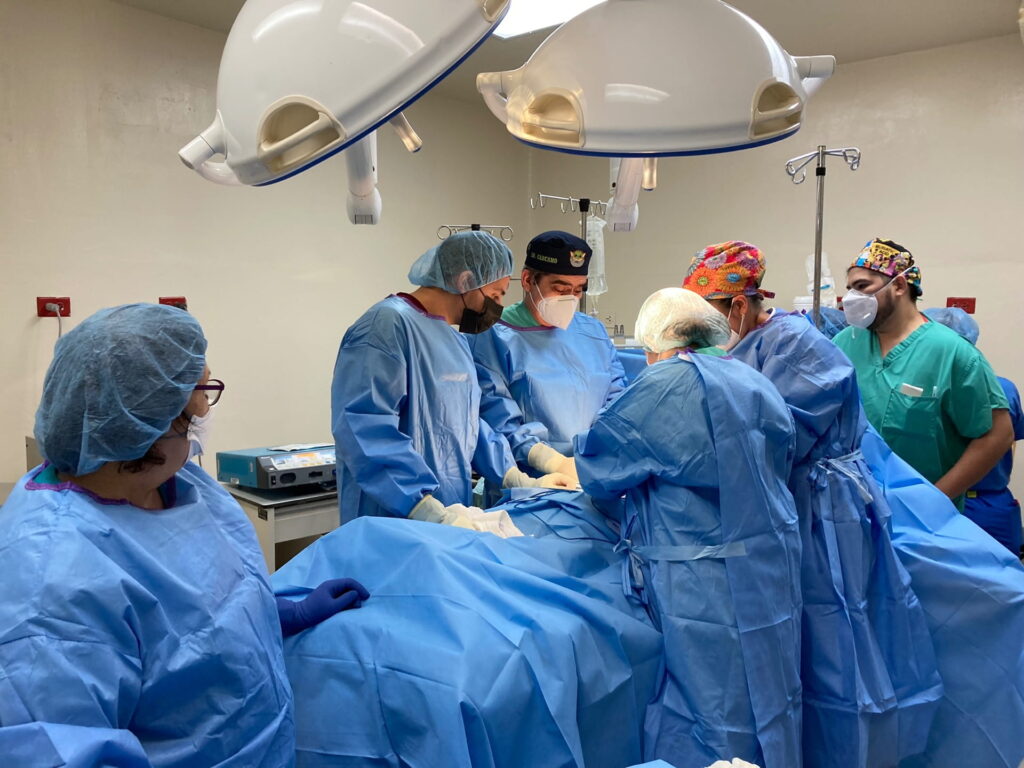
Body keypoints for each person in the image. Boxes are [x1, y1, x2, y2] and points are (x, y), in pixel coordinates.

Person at [0, 303, 328, 766]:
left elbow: (196, 617)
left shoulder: (184, 486)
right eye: (201, 392)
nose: (203, 409)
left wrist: (277, 613)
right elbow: (56, 749)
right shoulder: (51, 588)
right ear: (144, 420)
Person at [684, 242, 941, 767]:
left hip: (824, 514)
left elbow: (772, 435)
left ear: (742, 303)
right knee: (794, 646)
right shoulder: (738, 347)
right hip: (781, 506)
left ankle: (849, 753)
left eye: (708, 313)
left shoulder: (797, 346)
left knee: (835, 643)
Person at [574, 287, 803, 768]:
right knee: (767, 694)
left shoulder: (665, 383)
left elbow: (601, 466)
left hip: (702, 582)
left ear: (654, 343)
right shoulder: (753, 380)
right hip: (769, 567)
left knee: (707, 707)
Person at [331, 230, 573, 529]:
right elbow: (364, 427)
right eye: (495, 294)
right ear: (465, 281)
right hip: (392, 515)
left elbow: (468, 422)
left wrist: (517, 478)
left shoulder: (455, 340)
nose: (497, 306)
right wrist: (423, 507)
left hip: (448, 511)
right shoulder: (386, 326)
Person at [833, 238, 1012, 510]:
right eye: (849, 289)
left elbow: (997, 435)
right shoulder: (846, 342)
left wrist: (934, 499)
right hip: (854, 507)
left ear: (899, 286)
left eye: (862, 287)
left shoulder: (951, 353)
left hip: (923, 516)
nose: (851, 299)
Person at [469, 230, 626, 489]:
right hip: (529, 483)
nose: (570, 298)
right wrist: (553, 462)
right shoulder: (492, 335)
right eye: (560, 288)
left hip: (592, 475)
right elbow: (493, 416)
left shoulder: (592, 332)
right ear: (529, 280)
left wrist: (599, 453)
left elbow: (617, 401)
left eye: (577, 290)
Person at [922, 307, 1024, 555]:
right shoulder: (1003, 388)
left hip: (945, 505)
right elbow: (1009, 446)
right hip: (989, 504)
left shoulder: (921, 391)